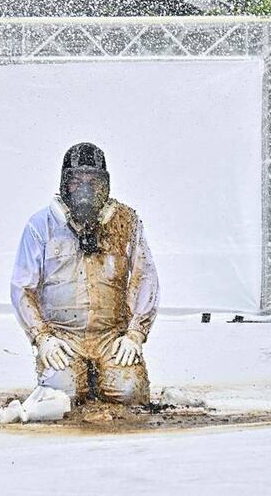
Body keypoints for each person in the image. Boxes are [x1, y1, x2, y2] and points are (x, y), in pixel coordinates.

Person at [10, 142, 159, 406]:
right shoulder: (41, 226)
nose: (85, 190)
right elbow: (23, 288)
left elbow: (144, 277)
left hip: (111, 337)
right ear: (64, 184)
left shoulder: (126, 223)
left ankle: (105, 375)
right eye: (77, 181)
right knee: (60, 398)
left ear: (106, 185)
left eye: (93, 181)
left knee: (130, 394)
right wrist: (43, 338)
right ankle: (76, 377)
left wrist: (135, 334)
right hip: (63, 337)